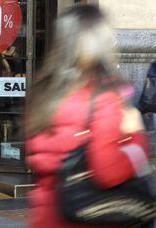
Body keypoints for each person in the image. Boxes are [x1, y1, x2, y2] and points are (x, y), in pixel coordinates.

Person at [25, 4, 151, 228]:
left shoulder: (42, 93)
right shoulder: (102, 96)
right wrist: (137, 137)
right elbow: (108, 171)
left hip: (46, 216)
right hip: (86, 217)